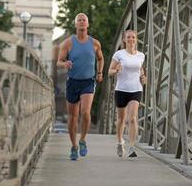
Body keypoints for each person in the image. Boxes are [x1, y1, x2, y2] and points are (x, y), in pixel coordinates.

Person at [57, 13, 104, 160]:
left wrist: (100, 72)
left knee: (85, 112)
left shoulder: (95, 43)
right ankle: (74, 146)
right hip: (73, 82)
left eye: (84, 20)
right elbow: (58, 61)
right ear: (76, 24)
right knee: (72, 118)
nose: (82, 22)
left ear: (87, 24)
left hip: (88, 82)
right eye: (79, 20)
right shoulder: (68, 43)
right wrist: (65, 64)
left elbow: (101, 58)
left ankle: (83, 139)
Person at [108, 30, 146, 158]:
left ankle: (131, 147)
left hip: (136, 89)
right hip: (121, 90)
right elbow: (109, 71)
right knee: (121, 119)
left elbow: (140, 69)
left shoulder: (141, 55)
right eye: (128, 37)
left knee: (133, 118)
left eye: (133, 37)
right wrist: (115, 70)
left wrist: (143, 77)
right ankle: (120, 142)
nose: (131, 39)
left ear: (136, 39)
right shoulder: (119, 54)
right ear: (124, 40)